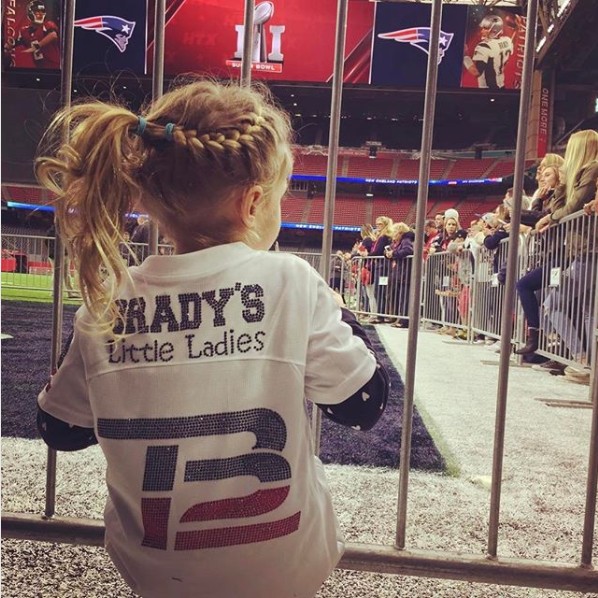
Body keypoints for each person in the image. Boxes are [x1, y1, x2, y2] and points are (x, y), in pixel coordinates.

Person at [34, 79, 390, 598]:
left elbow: (60, 430)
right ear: (252, 203)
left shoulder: (107, 302)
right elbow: (364, 402)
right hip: (284, 575)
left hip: (156, 575)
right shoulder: (289, 280)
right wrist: (341, 315)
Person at [514, 129, 598, 355]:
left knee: (555, 304)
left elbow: (573, 205)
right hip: (577, 250)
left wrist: (548, 215)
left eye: (547, 172)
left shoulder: (589, 170)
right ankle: (581, 360)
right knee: (584, 309)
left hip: (578, 251)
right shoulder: (580, 175)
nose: (542, 176)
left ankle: (579, 359)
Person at [462, 14, 522, 90]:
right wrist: (517, 28)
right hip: (501, 87)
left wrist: (465, 56)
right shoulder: (506, 41)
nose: (482, 31)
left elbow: (476, 72)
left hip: (488, 90)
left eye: (485, 28)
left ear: (494, 31)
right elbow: (512, 42)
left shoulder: (484, 46)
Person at [6, 0, 60, 69]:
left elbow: (53, 35)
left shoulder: (47, 25)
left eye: (42, 11)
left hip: (54, 68)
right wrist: (10, 44)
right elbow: (18, 42)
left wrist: (38, 45)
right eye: (37, 11)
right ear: (30, 14)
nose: (40, 14)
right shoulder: (25, 31)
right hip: (39, 69)